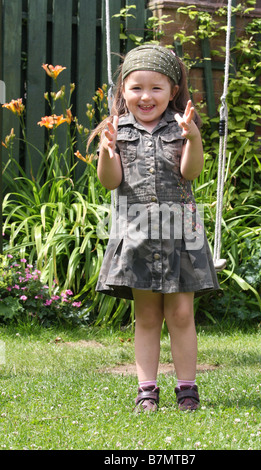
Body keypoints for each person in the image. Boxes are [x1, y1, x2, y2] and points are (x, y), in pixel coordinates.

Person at [88, 44, 219, 412]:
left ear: (173, 91)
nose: (146, 96)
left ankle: (187, 389)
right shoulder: (116, 130)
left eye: (156, 88)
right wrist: (107, 151)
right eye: (136, 88)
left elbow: (190, 173)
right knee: (146, 315)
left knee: (180, 313)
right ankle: (147, 389)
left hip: (181, 231)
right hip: (137, 231)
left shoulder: (181, 128)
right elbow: (110, 182)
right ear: (123, 91)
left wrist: (192, 137)